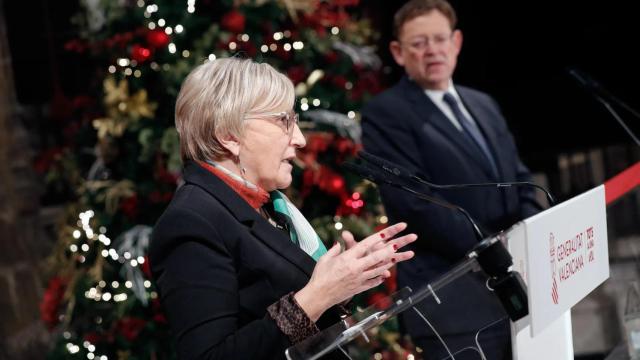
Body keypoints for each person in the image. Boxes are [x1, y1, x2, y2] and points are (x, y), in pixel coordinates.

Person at [149, 57, 417, 360]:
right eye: (283, 121)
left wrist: (344, 283)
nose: (300, 139)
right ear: (228, 134)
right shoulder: (190, 221)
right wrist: (320, 294)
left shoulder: (266, 204)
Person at [361, 1, 542, 359]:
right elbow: (418, 204)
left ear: (456, 42)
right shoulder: (385, 113)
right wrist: (499, 252)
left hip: (521, 284)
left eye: (440, 38)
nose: (433, 50)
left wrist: (531, 234)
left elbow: (519, 178)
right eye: (419, 43)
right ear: (398, 52)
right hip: (456, 304)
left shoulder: (484, 104)